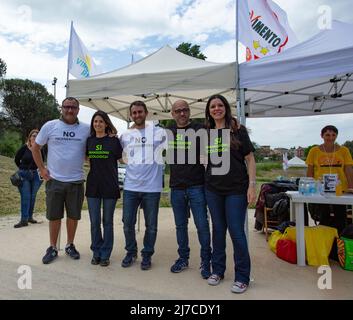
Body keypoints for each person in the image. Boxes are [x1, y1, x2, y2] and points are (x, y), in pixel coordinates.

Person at [204, 94, 256, 294]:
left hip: (236, 188)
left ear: (225, 107)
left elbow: (250, 159)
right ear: (208, 111)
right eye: (212, 106)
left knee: (236, 231)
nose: (216, 109)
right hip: (213, 189)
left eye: (219, 105)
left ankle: (242, 277)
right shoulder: (205, 132)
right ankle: (217, 270)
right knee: (217, 230)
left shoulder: (237, 130)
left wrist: (252, 186)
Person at [32, 97, 90, 264]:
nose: (70, 110)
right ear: (61, 108)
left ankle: (70, 245)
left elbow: (93, 149)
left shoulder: (86, 129)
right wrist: (41, 169)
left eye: (73, 107)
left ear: (78, 110)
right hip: (55, 180)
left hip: (76, 181)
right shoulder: (50, 126)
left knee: (73, 216)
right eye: (66, 107)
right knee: (54, 216)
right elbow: (36, 147)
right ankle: (52, 247)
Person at [167, 100, 211, 278]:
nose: (182, 113)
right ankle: (183, 258)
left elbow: (220, 128)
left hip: (197, 186)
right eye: (178, 111)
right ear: (172, 113)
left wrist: (234, 124)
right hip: (176, 188)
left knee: (202, 225)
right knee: (180, 226)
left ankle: (206, 261)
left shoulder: (201, 129)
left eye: (185, 110)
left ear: (189, 111)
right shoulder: (168, 132)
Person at [120, 101, 167, 270]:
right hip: (131, 187)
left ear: (146, 113)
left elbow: (176, 148)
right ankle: (131, 252)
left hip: (152, 188)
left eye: (140, 112)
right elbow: (120, 156)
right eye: (134, 112)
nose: (137, 115)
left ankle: (147, 255)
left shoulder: (159, 132)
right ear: (131, 115)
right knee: (127, 223)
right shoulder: (125, 135)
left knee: (151, 225)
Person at [86, 111, 123, 267]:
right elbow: (87, 159)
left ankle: (106, 254)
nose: (98, 124)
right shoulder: (89, 141)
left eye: (101, 121)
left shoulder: (113, 141)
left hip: (110, 185)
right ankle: (96, 252)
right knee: (94, 222)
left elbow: (123, 159)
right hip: (93, 186)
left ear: (106, 123)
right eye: (95, 121)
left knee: (107, 222)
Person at [306, 125, 353, 234]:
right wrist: (310, 187)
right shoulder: (314, 151)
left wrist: (351, 187)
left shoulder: (344, 151)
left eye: (333, 135)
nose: (330, 137)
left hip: (340, 189)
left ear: (336, 136)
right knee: (324, 216)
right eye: (327, 135)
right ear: (322, 136)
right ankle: (325, 240)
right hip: (321, 189)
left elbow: (348, 169)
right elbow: (310, 170)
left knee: (341, 217)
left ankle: (340, 241)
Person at [13, 129, 44, 228]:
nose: (35, 137)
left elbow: (42, 161)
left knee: (32, 196)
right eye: (33, 135)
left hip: (36, 176)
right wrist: (23, 168)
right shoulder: (24, 148)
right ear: (30, 137)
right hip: (24, 174)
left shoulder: (40, 149)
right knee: (26, 196)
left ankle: (30, 217)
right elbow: (17, 159)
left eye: (37, 136)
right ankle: (23, 220)